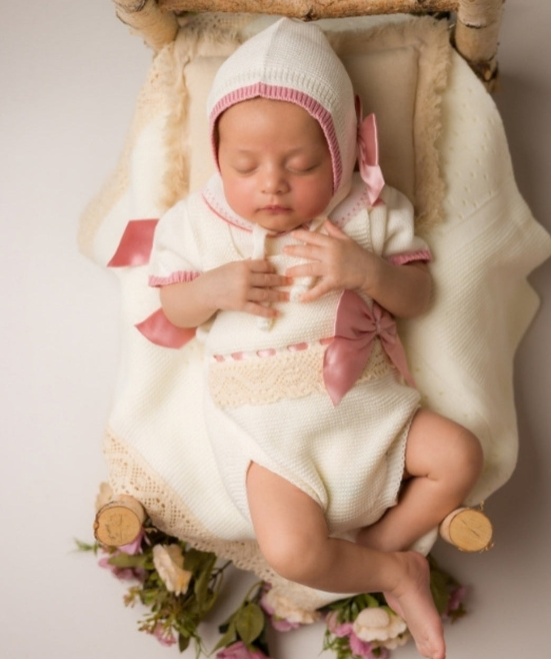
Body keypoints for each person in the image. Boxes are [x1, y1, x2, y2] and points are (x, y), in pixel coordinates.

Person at [148, 18, 483, 659]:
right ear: (216, 155)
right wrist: (214, 288)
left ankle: (377, 549)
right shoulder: (200, 222)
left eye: (300, 165)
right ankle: (395, 573)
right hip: (269, 436)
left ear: (341, 152)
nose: (271, 183)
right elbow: (172, 306)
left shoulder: (370, 211)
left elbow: (419, 296)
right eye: (245, 165)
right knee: (292, 551)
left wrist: (364, 271)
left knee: (460, 455)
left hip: (370, 412)